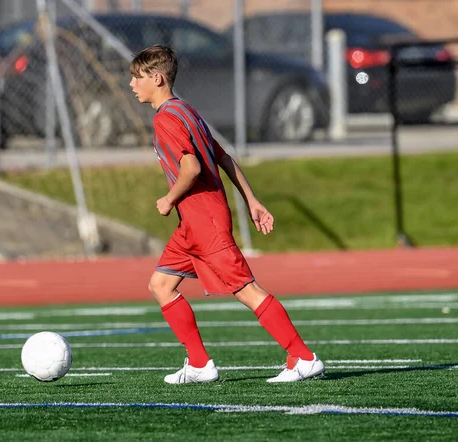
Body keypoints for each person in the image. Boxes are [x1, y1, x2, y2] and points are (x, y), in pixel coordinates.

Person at [129, 44, 324, 384]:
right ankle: (200, 365)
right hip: (193, 227)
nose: (132, 84)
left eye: (136, 77)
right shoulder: (185, 110)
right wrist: (252, 200)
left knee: (247, 291)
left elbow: (190, 168)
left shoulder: (165, 119)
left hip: (205, 225)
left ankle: (304, 358)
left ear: (156, 78)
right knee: (161, 285)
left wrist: (169, 199)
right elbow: (223, 157)